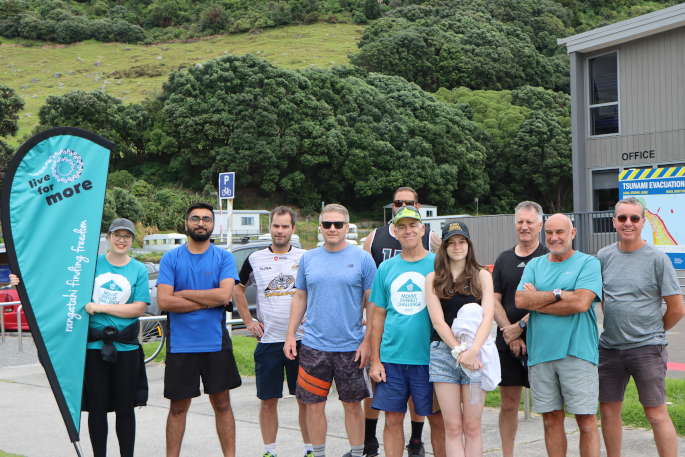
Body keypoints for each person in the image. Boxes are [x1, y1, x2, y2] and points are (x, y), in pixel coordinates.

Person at [9, 218, 151, 457]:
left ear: (132, 240)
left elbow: (138, 308)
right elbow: (56, 283)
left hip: (126, 349)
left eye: (127, 236)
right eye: (117, 235)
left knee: (125, 408)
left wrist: (100, 307)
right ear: (108, 237)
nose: (122, 240)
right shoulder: (90, 265)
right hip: (93, 347)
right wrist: (21, 281)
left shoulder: (138, 269)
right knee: (97, 407)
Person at [284, 204, 377, 457]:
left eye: (338, 224)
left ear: (347, 227)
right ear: (320, 228)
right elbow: (300, 297)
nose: (332, 228)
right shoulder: (309, 258)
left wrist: (368, 342)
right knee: (313, 406)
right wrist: (290, 335)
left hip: (351, 347)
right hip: (314, 347)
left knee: (352, 406)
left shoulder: (363, 259)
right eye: (327, 224)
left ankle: (357, 453)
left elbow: (373, 303)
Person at [597, 197, 685, 457]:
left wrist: (653, 331)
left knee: (656, 414)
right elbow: (602, 297)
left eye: (634, 218)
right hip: (610, 348)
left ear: (643, 222)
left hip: (647, 348)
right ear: (614, 222)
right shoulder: (603, 256)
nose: (628, 223)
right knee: (608, 411)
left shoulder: (657, 259)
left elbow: (677, 308)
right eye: (622, 218)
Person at [362, 186, 443, 457]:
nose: (408, 231)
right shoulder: (386, 268)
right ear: (395, 232)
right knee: (393, 419)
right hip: (392, 359)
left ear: (422, 229)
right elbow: (377, 316)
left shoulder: (438, 265)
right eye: (402, 227)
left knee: (437, 420)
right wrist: (375, 360)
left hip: (430, 359)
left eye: (413, 225)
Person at [157, 202, 241, 457]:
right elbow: (164, 302)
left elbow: (224, 296)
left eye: (206, 219)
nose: (201, 223)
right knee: (178, 408)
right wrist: (208, 300)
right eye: (195, 218)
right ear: (186, 224)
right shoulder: (171, 258)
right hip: (181, 344)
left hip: (215, 342)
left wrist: (183, 294)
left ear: (213, 224)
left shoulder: (224, 257)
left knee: (223, 405)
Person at [515, 214, 603, 457]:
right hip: (541, 354)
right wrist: (559, 294)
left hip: (578, 353)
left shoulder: (588, 263)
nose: (554, 238)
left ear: (572, 233)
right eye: (549, 232)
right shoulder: (534, 265)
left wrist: (538, 301)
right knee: (551, 420)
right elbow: (521, 300)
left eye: (560, 232)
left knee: (586, 422)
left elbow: (581, 303)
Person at [234, 206, 313, 457]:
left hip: (302, 340)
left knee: (305, 400)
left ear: (293, 229)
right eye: (276, 226)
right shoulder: (255, 258)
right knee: (268, 402)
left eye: (285, 226)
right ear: (269, 227)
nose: (280, 231)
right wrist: (248, 321)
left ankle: (309, 450)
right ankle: (270, 451)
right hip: (268, 341)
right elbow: (237, 289)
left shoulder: (305, 257)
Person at [425, 219, 495, 456]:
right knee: (453, 427)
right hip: (444, 355)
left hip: (477, 355)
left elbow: (488, 316)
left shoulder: (482, 276)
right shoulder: (433, 279)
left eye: (461, 242)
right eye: (451, 242)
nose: (457, 247)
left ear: (468, 244)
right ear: (444, 247)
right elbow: (438, 322)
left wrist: (472, 352)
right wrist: (460, 351)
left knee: (472, 427)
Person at [492, 201, 548, 457]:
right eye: (520, 222)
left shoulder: (549, 257)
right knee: (508, 404)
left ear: (540, 225)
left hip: (543, 341)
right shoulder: (503, 259)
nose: (524, 226)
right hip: (507, 343)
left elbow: (548, 300)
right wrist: (509, 331)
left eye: (529, 222)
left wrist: (521, 327)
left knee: (549, 408)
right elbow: (494, 300)